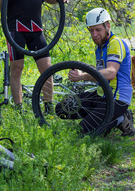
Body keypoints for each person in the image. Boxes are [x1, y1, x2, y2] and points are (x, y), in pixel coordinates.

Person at [0, 0, 68, 112]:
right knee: (17, 69)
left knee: (46, 68)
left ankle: (48, 109)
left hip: (36, 29)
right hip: (15, 30)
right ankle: (19, 109)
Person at [56, 7, 135, 136]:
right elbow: (100, 72)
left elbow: (110, 73)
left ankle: (120, 118)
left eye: (98, 30)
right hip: (100, 95)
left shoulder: (115, 43)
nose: (94, 35)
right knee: (62, 108)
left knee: (82, 131)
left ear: (108, 26)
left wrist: (83, 76)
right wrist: (84, 68)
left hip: (117, 99)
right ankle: (103, 118)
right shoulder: (99, 47)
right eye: (91, 30)